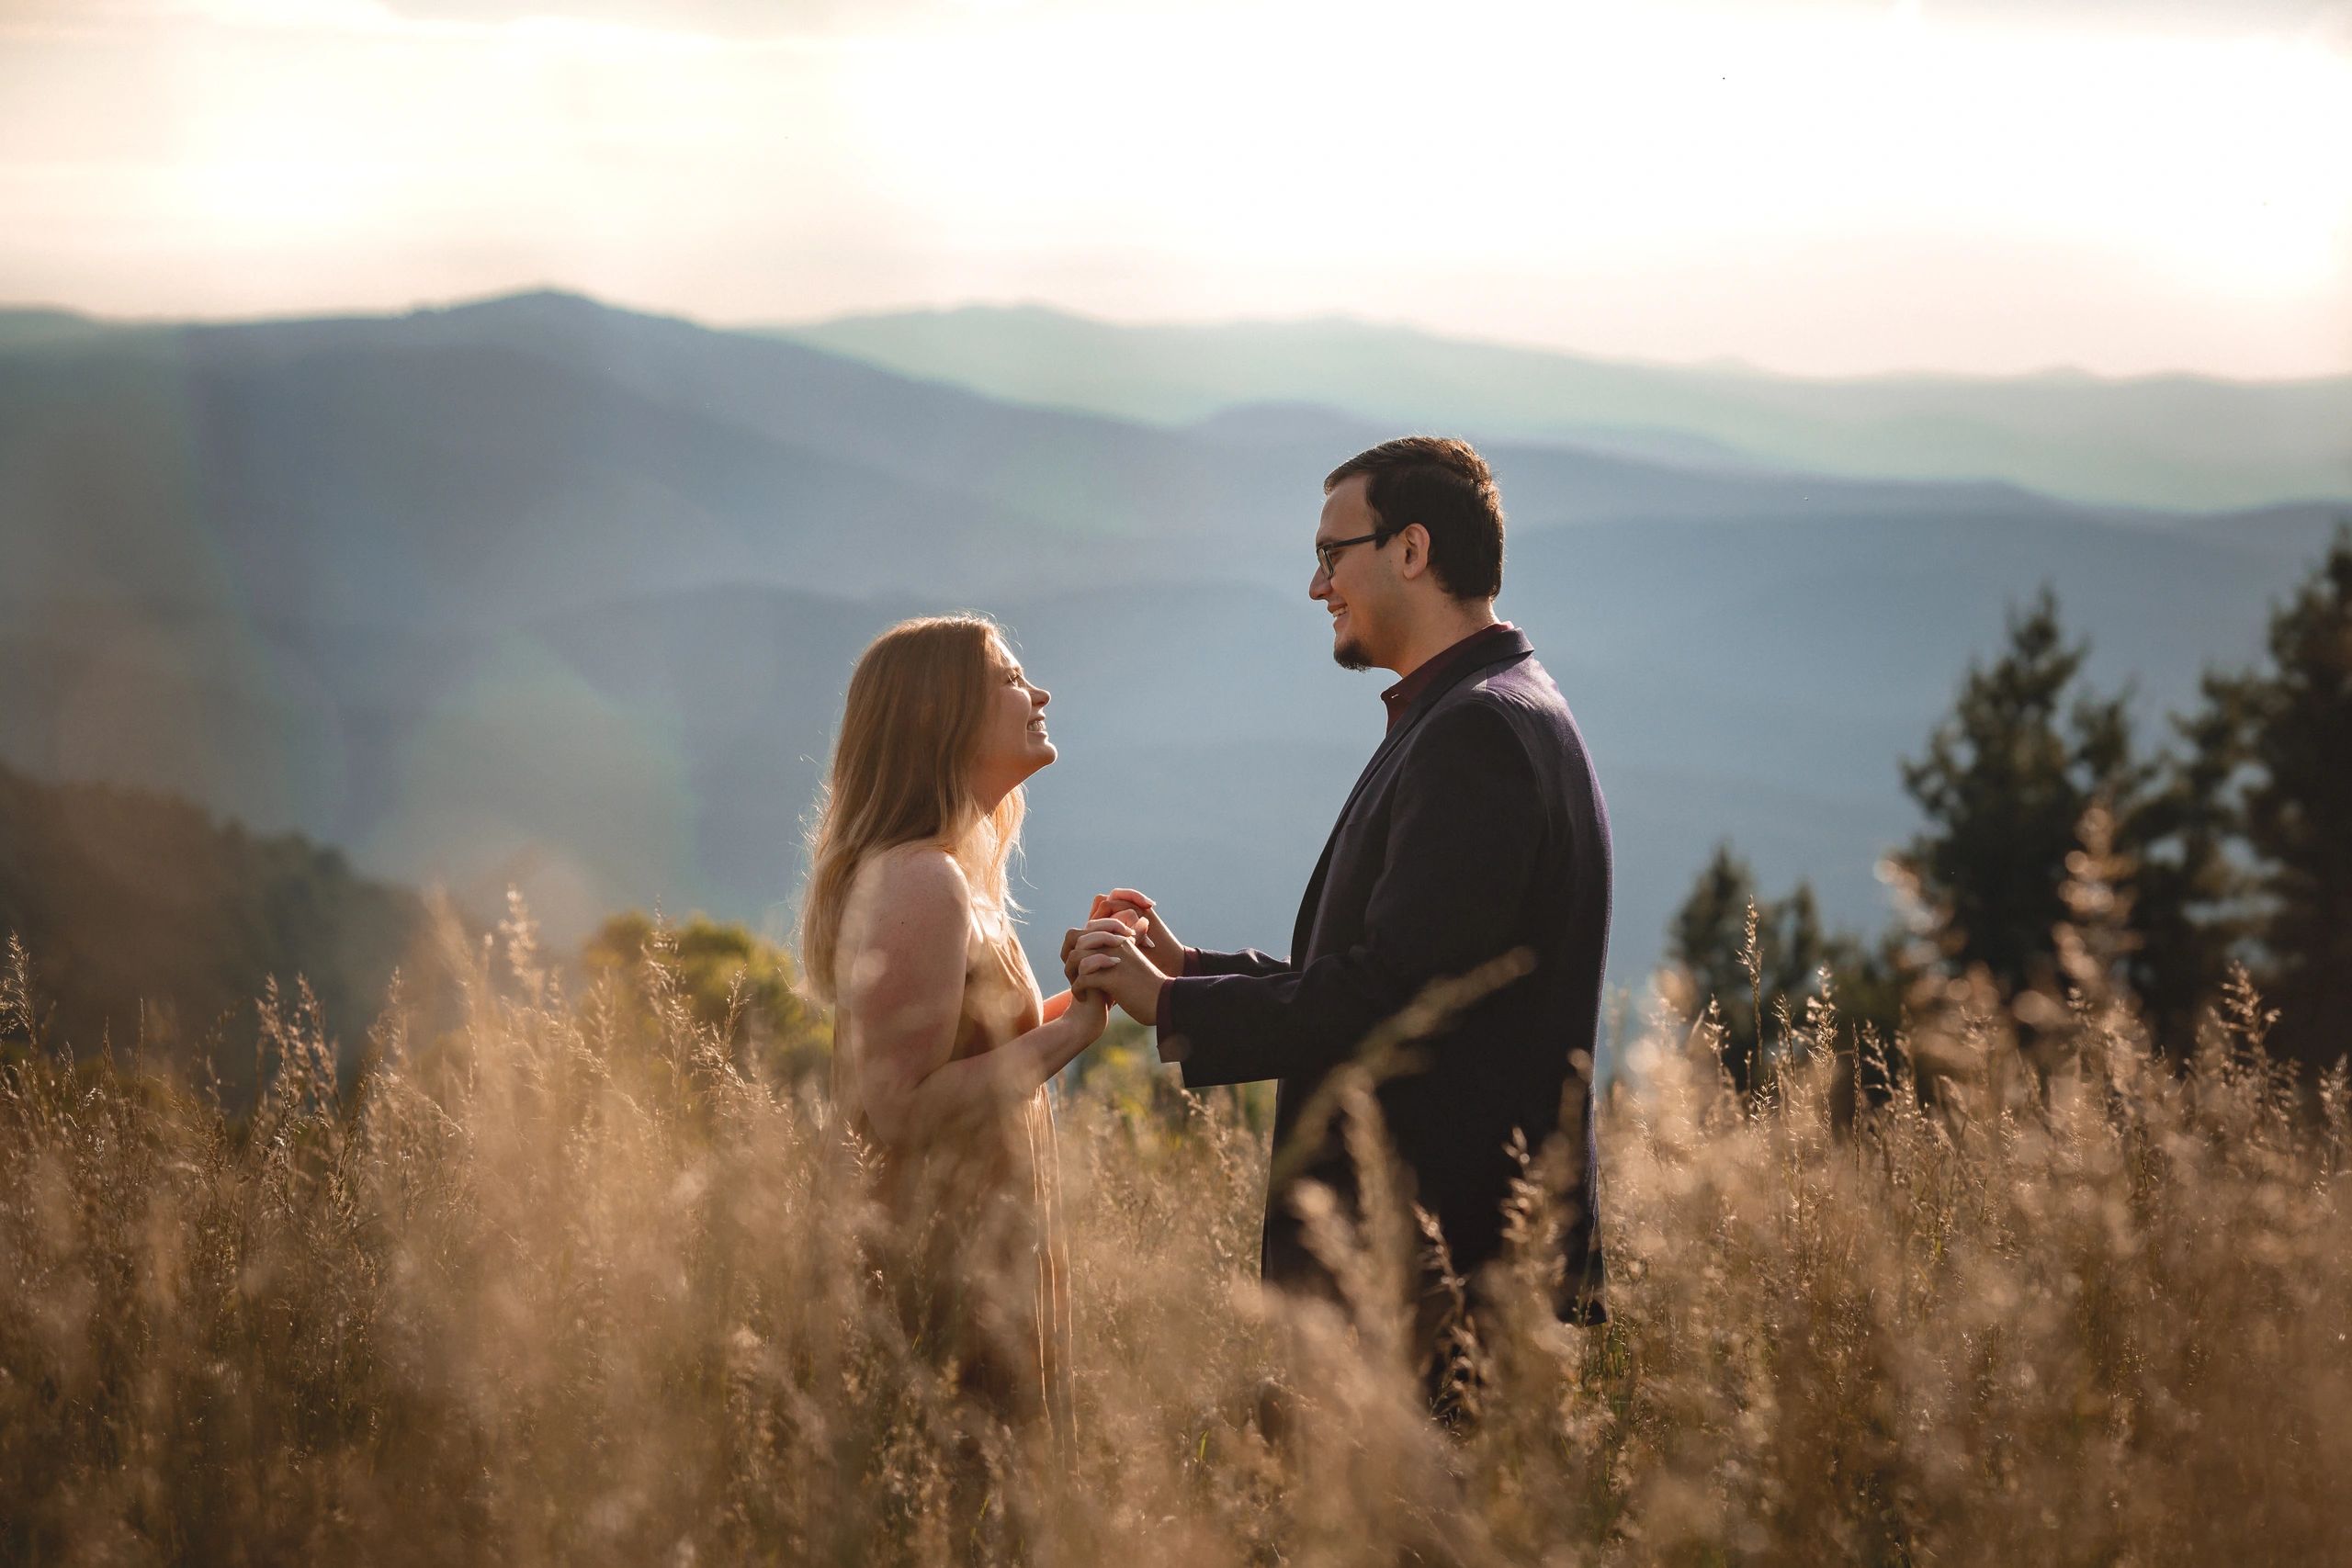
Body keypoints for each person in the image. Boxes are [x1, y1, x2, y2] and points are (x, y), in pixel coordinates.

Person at [1067, 436, 1611, 1418]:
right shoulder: (1489, 709)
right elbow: (1411, 967)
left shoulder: (1475, 733)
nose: (1317, 585)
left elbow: (1394, 1001)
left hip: (1432, 1280)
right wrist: (1193, 967)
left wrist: (1175, 1006)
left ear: (1410, 549)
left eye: (1332, 554)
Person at [799, 614, 1118, 1460]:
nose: (1038, 691)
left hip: (984, 1262)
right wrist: (1075, 1033)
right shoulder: (920, 880)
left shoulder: (953, 877)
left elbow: (970, 1059)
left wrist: (1077, 997)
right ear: (942, 716)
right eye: (1011, 679)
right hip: (941, 1279)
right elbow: (898, 1107)